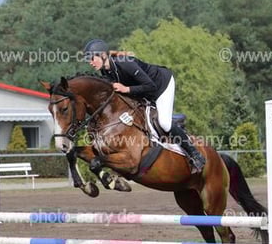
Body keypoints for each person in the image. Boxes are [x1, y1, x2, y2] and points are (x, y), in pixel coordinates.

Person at [83, 39, 206, 173]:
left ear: (103, 55)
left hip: (161, 85)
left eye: (92, 58)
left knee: (164, 123)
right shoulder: (106, 71)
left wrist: (126, 89)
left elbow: (150, 86)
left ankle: (195, 154)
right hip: (143, 90)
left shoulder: (125, 63)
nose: (90, 62)